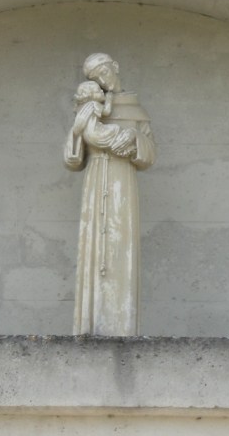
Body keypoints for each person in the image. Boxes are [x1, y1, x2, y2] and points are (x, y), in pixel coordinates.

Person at [64, 53, 155, 336]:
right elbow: (72, 159)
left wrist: (133, 141)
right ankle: (90, 324)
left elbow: (149, 154)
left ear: (114, 68)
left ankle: (122, 324)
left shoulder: (134, 108)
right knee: (94, 246)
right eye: (96, 77)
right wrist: (81, 130)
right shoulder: (90, 107)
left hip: (123, 183)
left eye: (104, 72)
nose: (102, 80)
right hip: (95, 180)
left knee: (121, 244)